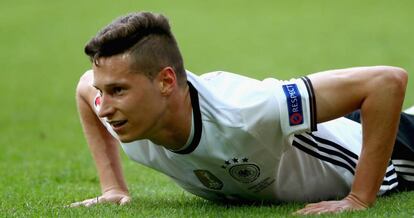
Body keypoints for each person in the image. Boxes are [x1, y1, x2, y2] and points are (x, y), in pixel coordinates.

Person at [71, 12, 414, 215]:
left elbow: (386, 82)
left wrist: (358, 199)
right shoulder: (119, 112)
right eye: (104, 91)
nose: (106, 105)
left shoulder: (247, 111)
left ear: (165, 82)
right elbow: (84, 87)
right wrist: (113, 187)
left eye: (118, 90)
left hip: (395, 150)